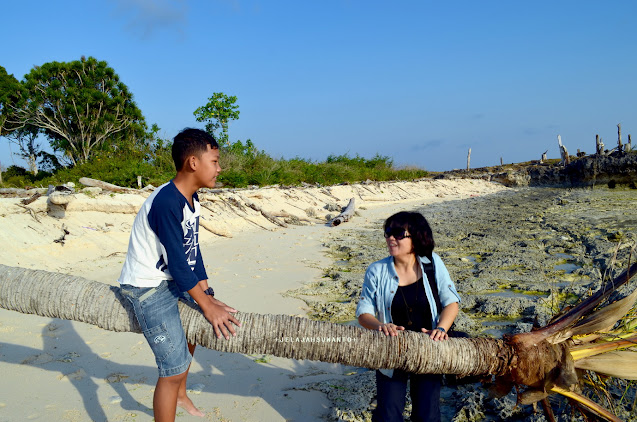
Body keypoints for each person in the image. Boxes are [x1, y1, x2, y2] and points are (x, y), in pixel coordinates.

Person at [118, 128, 241, 422]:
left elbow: (192, 251)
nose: (219, 168)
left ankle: (181, 395)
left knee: (192, 333)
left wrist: (207, 295)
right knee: (171, 368)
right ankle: (175, 388)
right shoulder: (166, 202)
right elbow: (177, 262)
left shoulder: (191, 199)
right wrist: (207, 306)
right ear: (193, 163)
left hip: (171, 280)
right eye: (215, 161)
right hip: (146, 287)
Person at [356, 211, 460, 422]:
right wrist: (380, 326)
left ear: (416, 237)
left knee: (427, 415)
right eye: (387, 232)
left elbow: (451, 302)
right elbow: (363, 312)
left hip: (429, 350)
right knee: (388, 414)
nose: (390, 238)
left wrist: (441, 329)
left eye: (397, 233)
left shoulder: (432, 263)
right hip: (391, 351)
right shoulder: (376, 270)